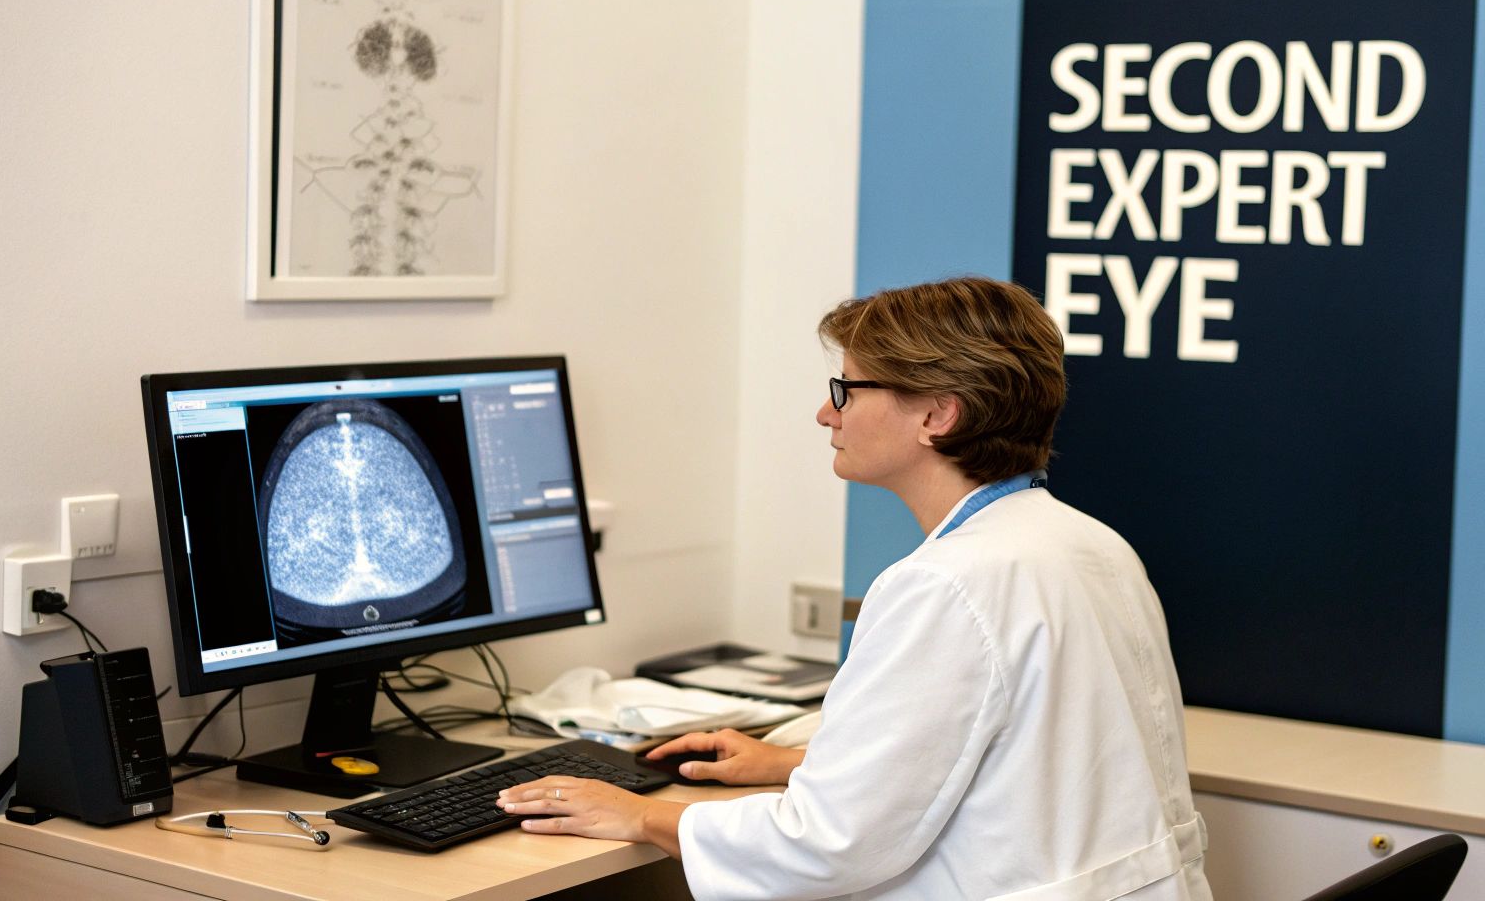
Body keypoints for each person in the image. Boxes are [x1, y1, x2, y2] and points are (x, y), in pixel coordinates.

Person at [498, 277, 1212, 900]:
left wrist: (638, 814)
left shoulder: (945, 585)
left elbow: (827, 843)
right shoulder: (1085, 543)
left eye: (847, 389)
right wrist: (794, 763)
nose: (825, 413)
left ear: (937, 414)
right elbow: (1025, 754)